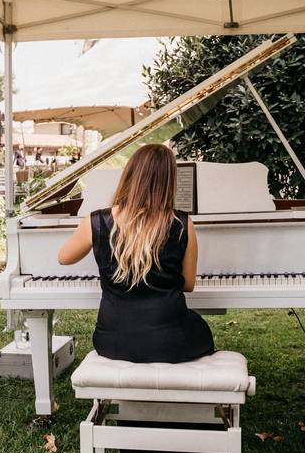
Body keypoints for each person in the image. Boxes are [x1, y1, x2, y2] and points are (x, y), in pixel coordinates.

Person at [57, 144, 214, 363]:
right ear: (169, 181)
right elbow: (188, 284)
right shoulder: (182, 224)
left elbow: (63, 258)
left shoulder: (96, 221)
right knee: (199, 329)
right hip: (170, 341)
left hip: (112, 341)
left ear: (130, 174)